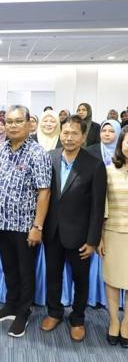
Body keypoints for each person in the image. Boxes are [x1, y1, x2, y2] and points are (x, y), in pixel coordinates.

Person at [0, 105, 52, 338]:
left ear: (28, 123)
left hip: (26, 226)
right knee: (9, 267)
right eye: (9, 122)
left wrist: (38, 226)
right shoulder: (0, 149)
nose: (12, 126)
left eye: (18, 121)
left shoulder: (38, 153)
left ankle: (23, 312)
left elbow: (44, 191)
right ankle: (11, 305)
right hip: (3, 222)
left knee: (25, 271)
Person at [41, 115, 106, 342]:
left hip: (80, 236)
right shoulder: (50, 157)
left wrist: (92, 240)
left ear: (83, 136)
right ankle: (54, 312)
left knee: (80, 279)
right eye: (66, 132)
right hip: (52, 231)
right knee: (53, 275)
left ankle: (77, 319)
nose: (69, 137)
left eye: (74, 133)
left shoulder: (94, 165)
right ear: (60, 134)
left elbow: (98, 207)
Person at [98, 126, 128, 348]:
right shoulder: (109, 170)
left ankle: (126, 323)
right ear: (121, 144)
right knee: (113, 281)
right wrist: (99, 236)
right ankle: (113, 321)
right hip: (113, 232)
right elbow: (102, 207)